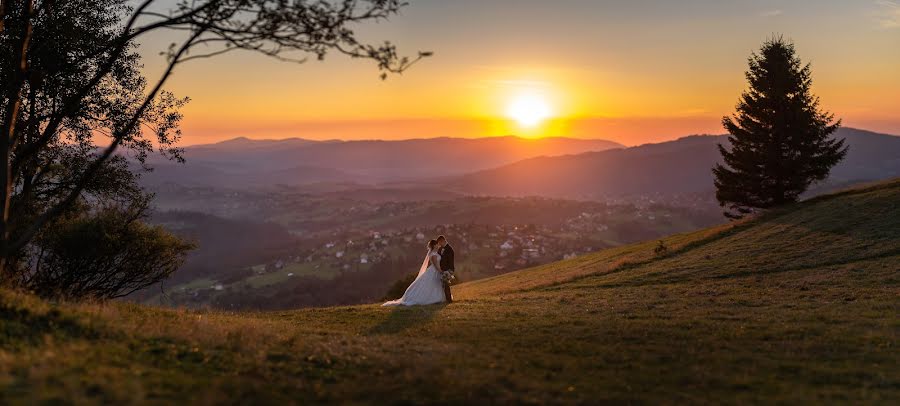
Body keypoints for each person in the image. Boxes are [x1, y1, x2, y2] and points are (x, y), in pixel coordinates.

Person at [382, 239, 446, 306]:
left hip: (433, 270)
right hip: (435, 270)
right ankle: (433, 298)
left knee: (434, 284)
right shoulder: (434, 254)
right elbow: (436, 265)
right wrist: (441, 271)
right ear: (434, 245)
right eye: (437, 244)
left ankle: (436, 297)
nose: (438, 245)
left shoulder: (432, 253)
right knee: (432, 284)